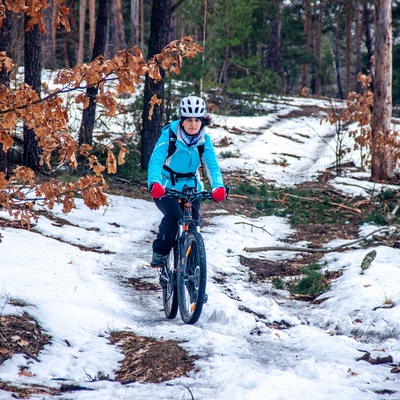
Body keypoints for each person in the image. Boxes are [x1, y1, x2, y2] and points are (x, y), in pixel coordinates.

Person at [148, 95, 227, 268]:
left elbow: (212, 166)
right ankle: (160, 252)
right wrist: (154, 183)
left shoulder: (204, 140)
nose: (193, 124)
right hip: (165, 186)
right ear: (182, 121)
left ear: (202, 121)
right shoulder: (169, 136)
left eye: (197, 120)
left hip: (191, 187)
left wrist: (218, 186)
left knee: (193, 224)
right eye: (189, 120)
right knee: (175, 216)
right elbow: (155, 161)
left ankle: (193, 278)